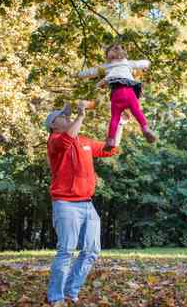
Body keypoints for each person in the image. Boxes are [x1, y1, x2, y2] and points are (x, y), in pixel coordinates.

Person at [46, 102, 126, 307]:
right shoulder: (54, 141)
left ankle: (70, 292)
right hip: (66, 203)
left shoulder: (84, 141)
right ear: (53, 125)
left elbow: (110, 149)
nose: (66, 117)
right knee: (66, 250)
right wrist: (80, 115)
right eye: (61, 116)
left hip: (87, 204)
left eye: (67, 115)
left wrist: (120, 125)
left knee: (91, 251)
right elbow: (66, 139)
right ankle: (56, 297)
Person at [77, 43, 156, 149]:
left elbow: (91, 71)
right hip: (129, 92)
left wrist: (79, 74)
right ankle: (145, 128)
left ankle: (110, 140)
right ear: (123, 54)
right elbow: (142, 63)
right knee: (137, 111)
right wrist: (147, 63)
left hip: (116, 94)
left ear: (108, 57)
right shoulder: (128, 63)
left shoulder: (106, 66)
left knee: (115, 117)